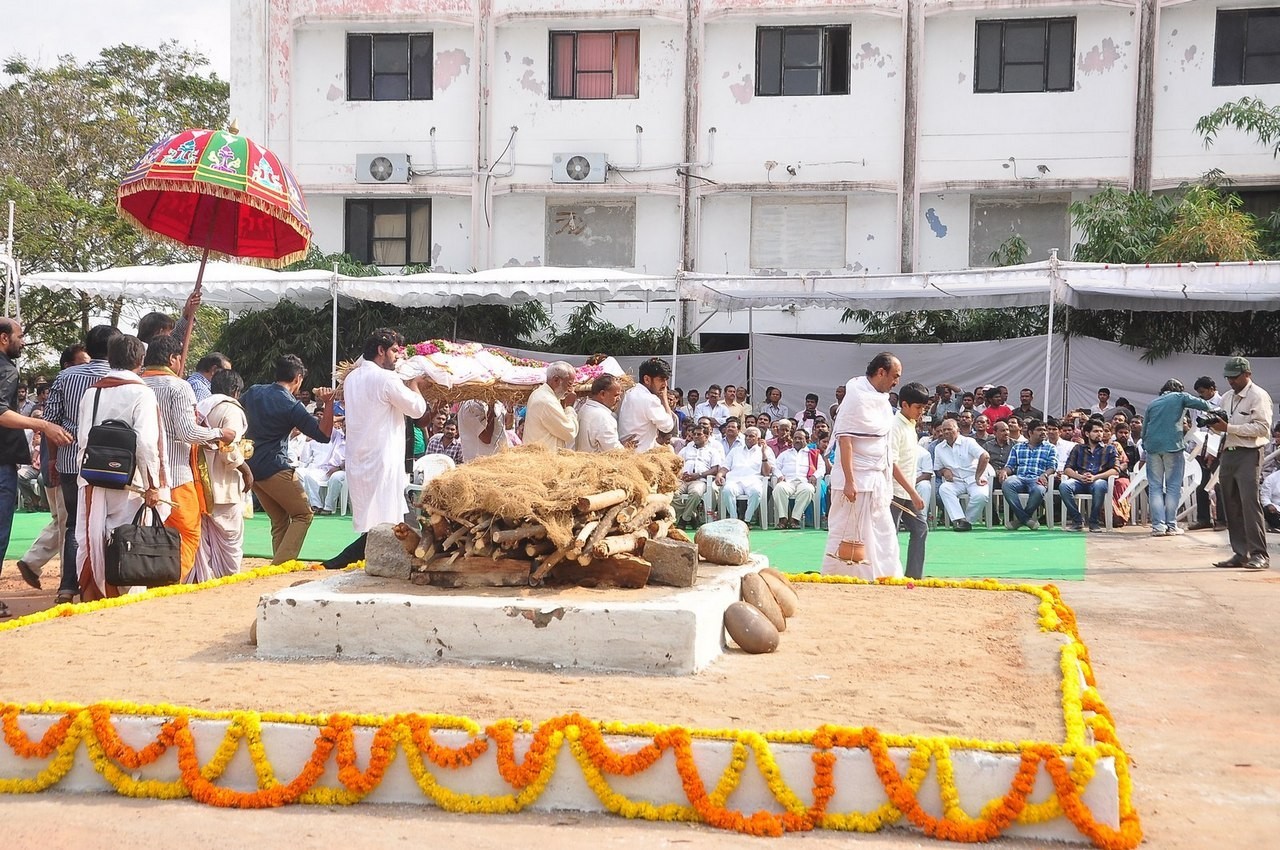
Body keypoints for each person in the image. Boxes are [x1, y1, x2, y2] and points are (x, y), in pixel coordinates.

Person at [322, 329, 428, 570]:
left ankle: (362, 560)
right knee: (384, 519)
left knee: (374, 518)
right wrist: (413, 383)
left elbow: (361, 362)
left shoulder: (351, 378)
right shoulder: (386, 379)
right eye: (393, 351)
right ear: (380, 351)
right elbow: (417, 410)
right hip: (382, 458)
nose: (396, 357)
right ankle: (370, 562)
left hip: (358, 458)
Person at [74, 335, 164, 602]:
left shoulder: (93, 391)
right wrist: (152, 485)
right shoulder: (142, 393)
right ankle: (126, 599)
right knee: (129, 538)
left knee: (91, 539)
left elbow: (83, 437)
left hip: (93, 477)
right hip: (130, 481)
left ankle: (93, 594)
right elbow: (146, 443)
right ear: (140, 361)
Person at [141, 335, 235, 580]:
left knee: (147, 531)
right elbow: (187, 432)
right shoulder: (178, 386)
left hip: (141, 477)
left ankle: (147, 580)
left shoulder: (138, 384)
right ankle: (168, 583)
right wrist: (219, 434)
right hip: (175, 476)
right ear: (173, 359)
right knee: (186, 532)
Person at [40, 325, 121, 603]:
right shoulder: (120, 378)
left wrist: (52, 458)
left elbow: (49, 423)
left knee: (74, 524)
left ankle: (67, 586)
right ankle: (103, 584)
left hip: (69, 461)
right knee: (109, 521)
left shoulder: (64, 376)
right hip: (110, 463)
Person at [0, 319, 73, 617]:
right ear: (4, 338)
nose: (23, 341)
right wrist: (43, 424)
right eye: (19, 336)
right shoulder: (6, 369)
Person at [242, 355, 335, 564]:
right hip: (275, 467)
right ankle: (279, 566)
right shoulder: (291, 405)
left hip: (252, 468)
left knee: (280, 519)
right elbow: (323, 435)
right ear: (298, 379)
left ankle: (279, 564)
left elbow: (236, 409)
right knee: (303, 514)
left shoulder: (255, 391)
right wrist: (329, 404)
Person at [14, 344, 91, 591]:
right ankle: (66, 581)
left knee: (63, 521)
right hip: (58, 467)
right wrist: (52, 465)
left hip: (56, 466)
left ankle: (34, 563)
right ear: (68, 366)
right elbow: (49, 435)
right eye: (83, 362)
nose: (87, 367)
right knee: (69, 523)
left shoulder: (63, 400)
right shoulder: (63, 397)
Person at [823, 353, 901, 578]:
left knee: (882, 532)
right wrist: (850, 481)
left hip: (876, 480)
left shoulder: (881, 399)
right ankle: (840, 577)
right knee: (847, 531)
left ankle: (884, 575)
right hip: (855, 480)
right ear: (881, 372)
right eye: (895, 376)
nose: (896, 382)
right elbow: (845, 439)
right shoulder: (856, 396)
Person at [1209, 356, 1272, 570]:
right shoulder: (1227, 397)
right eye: (1228, 377)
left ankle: (1259, 554)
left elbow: (1262, 429)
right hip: (1229, 451)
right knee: (1231, 503)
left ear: (1247, 374)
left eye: (1235, 377)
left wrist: (1230, 429)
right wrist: (1213, 426)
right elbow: (1222, 423)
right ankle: (1240, 553)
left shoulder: (1258, 396)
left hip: (1250, 452)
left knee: (1249, 503)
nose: (1231, 381)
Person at [190, 370, 253, 581]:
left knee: (205, 537)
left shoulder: (200, 408)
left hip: (198, 480)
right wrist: (246, 470)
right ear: (235, 390)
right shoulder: (231, 409)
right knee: (230, 536)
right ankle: (228, 580)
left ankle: (204, 579)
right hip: (223, 484)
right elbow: (229, 446)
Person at [1142, 379, 1212, 537]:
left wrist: (1147, 445)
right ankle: (1171, 525)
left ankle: (1158, 526)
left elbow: (1144, 428)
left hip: (1152, 447)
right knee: (1173, 487)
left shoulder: (1153, 403)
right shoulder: (1180, 397)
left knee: (1155, 487)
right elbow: (1203, 404)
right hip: (1172, 446)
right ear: (1178, 389)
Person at [889, 382, 930, 579]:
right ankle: (888, 575)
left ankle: (914, 576)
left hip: (906, 490)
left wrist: (911, 491)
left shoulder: (910, 425)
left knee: (920, 528)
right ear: (904, 405)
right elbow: (892, 464)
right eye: (918, 408)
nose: (921, 412)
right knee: (890, 536)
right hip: (893, 492)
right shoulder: (895, 426)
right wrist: (913, 492)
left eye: (923, 408)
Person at [1059, 419, 1118, 532]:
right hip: (1080, 480)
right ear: (1087, 433)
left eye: (1101, 431)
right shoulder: (1078, 448)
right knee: (1064, 486)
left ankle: (1094, 522)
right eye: (1095, 431)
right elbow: (1067, 469)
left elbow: (1115, 470)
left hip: (1098, 480)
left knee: (1099, 485)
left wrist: (1095, 477)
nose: (1100, 434)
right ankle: (1077, 520)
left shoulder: (1109, 449)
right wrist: (1080, 477)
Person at [934, 418, 990, 531]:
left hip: (974, 479)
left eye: (949, 429)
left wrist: (978, 476)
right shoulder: (939, 448)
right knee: (944, 489)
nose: (946, 432)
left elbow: (985, 456)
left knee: (981, 496)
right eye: (944, 430)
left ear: (957, 429)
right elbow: (938, 468)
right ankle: (958, 519)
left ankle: (967, 521)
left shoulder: (968, 442)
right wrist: (944, 471)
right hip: (955, 481)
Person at [1000, 419, 1056, 530]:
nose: (1044, 433)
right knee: (1007, 484)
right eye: (1039, 430)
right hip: (1020, 478)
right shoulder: (1017, 447)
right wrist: (1004, 471)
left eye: (1044, 430)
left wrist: (1044, 475)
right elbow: (1010, 466)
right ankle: (1026, 519)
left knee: (1039, 490)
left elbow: (1052, 467)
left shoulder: (1050, 448)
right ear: (1030, 433)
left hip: (1037, 477)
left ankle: (1020, 520)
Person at [617, 358, 676, 451]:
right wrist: (664, 398)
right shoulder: (650, 399)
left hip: (628, 452)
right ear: (647, 379)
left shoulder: (629, 392)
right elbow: (667, 426)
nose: (665, 384)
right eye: (661, 379)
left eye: (666, 380)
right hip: (641, 456)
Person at [716, 426, 771, 524]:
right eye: (746, 436)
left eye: (751, 436)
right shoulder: (736, 450)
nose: (748, 438)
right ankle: (734, 520)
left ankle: (747, 520)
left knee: (756, 492)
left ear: (758, 439)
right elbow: (725, 467)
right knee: (727, 490)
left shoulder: (765, 451)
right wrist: (719, 475)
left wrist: (763, 453)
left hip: (753, 481)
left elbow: (766, 473)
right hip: (735, 480)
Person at [523, 361, 578, 449]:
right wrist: (569, 407)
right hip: (543, 458)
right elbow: (569, 433)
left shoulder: (540, 393)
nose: (569, 389)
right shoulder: (547, 401)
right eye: (569, 384)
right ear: (556, 380)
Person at [673, 423, 718, 528]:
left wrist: (698, 475)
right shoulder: (686, 449)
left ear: (706, 436)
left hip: (700, 480)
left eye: (699, 434)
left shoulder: (712, 451)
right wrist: (681, 474)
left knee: (696, 493)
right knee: (671, 493)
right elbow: (676, 464)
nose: (696, 436)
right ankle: (690, 515)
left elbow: (715, 469)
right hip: (683, 480)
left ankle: (683, 519)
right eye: (694, 434)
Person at [772, 429, 818, 530]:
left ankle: (795, 519)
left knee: (808, 490)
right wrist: (779, 475)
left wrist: (815, 475)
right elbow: (775, 467)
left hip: (804, 481)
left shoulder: (813, 454)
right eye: (795, 438)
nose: (797, 440)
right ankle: (783, 518)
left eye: (800, 438)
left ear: (807, 440)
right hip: (788, 481)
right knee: (779, 488)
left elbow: (821, 468)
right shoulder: (785, 453)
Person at [575, 374, 629, 452]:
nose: (619, 399)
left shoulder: (584, 408)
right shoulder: (603, 417)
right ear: (602, 394)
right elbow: (614, 450)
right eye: (616, 395)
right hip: (597, 462)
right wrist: (626, 449)